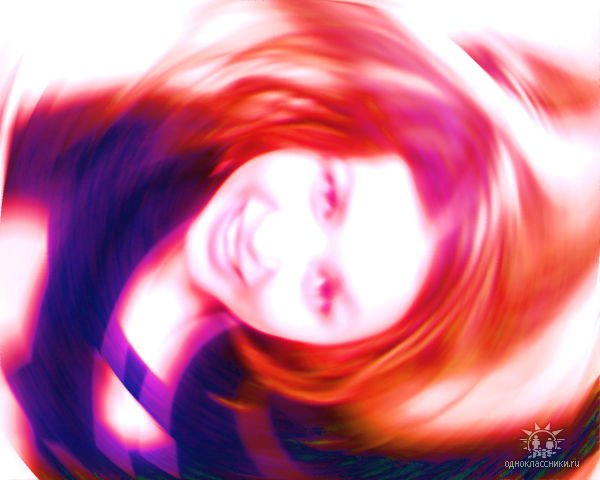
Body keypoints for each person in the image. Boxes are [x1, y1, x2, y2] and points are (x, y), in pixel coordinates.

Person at [2, 0, 598, 478]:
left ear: (349, 354)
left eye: (323, 289)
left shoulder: (282, 440)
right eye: (327, 197)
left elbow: (540, 456)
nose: (272, 244)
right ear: (330, 137)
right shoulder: (136, 159)